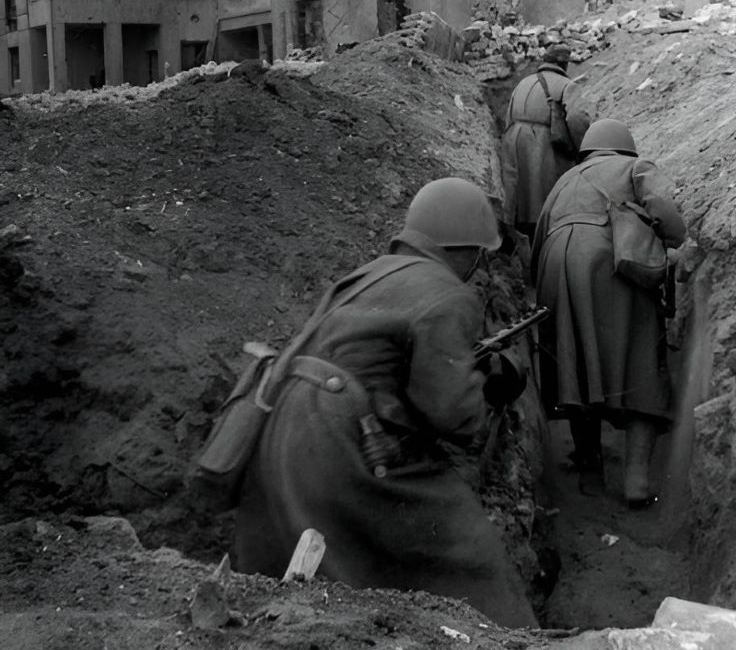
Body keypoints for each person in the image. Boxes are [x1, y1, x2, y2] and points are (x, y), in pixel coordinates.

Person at [234, 177, 537, 629]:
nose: (480, 265)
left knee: (320, 576)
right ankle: (512, 634)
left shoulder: (370, 273)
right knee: (468, 547)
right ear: (465, 248)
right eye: (480, 252)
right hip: (341, 436)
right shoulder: (448, 294)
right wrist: (488, 387)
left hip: (283, 423)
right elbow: (451, 414)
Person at [530, 119, 686, 509]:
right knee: (641, 363)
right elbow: (664, 211)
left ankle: (589, 468)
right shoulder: (634, 167)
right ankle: (636, 480)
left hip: (555, 266)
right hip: (609, 262)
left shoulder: (564, 181)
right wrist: (677, 240)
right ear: (625, 148)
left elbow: (537, 240)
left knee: (576, 367)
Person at [501, 43, 591, 244]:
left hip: (512, 139)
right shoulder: (567, 86)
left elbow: (507, 116)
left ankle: (514, 236)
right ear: (564, 64)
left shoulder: (523, 83)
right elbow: (577, 119)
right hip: (539, 141)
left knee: (517, 193)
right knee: (541, 196)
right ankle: (540, 240)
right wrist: (584, 149)